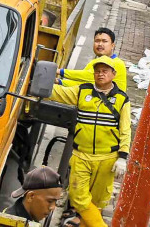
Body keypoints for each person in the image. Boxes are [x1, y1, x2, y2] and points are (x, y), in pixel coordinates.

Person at [50, 57, 130, 227]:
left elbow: (125, 130)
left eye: (105, 71)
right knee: (78, 198)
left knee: (98, 201)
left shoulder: (122, 100)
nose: (100, 74)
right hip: (81, 155)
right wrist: (33, 83)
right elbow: (56, 92)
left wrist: (122, 157)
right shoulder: (82, 91)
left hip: (107, 158)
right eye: (98, 71)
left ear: (113, 74)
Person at [58, 28, 127, 91]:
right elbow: (83, 83)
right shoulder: (94, 62)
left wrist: (60, 71)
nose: (100, 44)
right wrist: (60, 82)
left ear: (112, 46)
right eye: (97, 41)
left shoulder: (117, 63)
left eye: (104, 41)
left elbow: (88, 76)